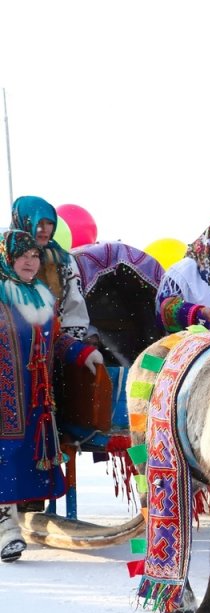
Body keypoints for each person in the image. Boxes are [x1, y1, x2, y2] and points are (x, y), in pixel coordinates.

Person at [0, 230, 103, 562]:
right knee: (5, 456)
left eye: (34, 256)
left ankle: (14, 521)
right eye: (22, 256)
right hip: (5, 395)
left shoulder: (41, 295)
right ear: (7, 258)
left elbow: (56, 339)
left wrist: (83, 353)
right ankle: (6, 529)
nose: (30, 262)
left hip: (35, 397)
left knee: (23, 457)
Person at [10, 196, 90, 339]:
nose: (45, 229)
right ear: (23, 220)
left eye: (50, 223)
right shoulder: (4, 258)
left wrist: (70, 348)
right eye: (39, 222)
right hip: (10, 348)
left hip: (52, 347)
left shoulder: (63, 260)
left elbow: (74, 308)